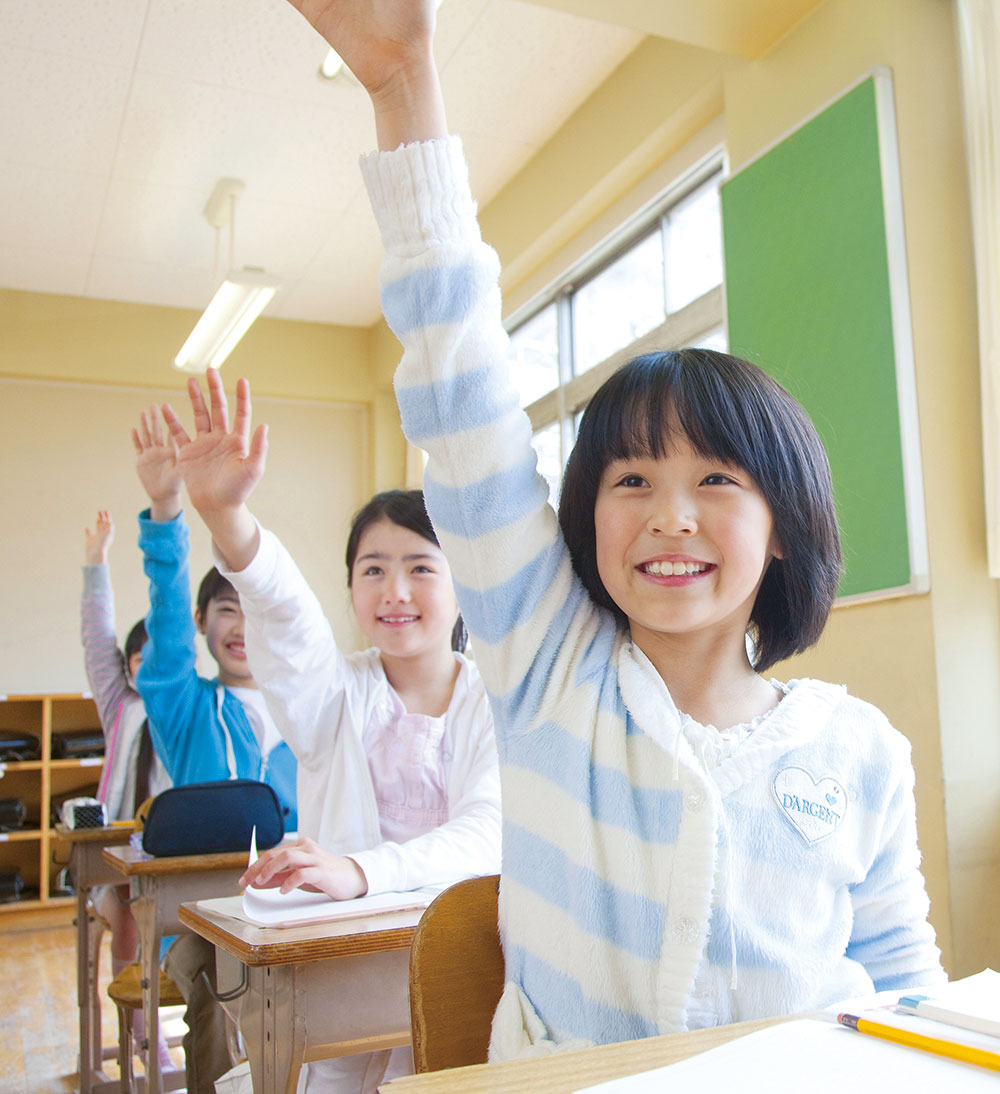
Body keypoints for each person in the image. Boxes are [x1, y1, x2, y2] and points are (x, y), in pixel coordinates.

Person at [279, 0, 945, 1063]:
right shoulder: (546, 668)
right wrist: (403, 84)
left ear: (781, 528)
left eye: (717, 477)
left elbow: (905, 985)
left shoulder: (858, 751)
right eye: (630, 477)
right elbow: (463, 394)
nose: (669, 513)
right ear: (584, 517)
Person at [159, 370, 502, 1092]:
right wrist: (229, 520)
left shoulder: (490, 701)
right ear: (350, 589)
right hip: (339, 971)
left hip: (465, 965)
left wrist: (359, 873)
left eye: (419, 567)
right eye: (372, 570)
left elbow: (487, 833)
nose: (395, 591)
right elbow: (285, 615)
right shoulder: (333, 696)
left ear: (462, 584)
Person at [130, 406, 299, 1094]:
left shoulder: (307, 708)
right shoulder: (183, 703)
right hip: (198, 925)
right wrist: (167, 509)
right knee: (217, 970)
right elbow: (164, 626)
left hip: (286, 916)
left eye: (249, 608)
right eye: (225, 609)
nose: (240, 625)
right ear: (204, 623)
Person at [81, 509, 173, 1074]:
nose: (146, 667)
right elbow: (97, 638)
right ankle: (145, 1031)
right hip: (117, 860)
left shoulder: (179, 713)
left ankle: (170, 1019)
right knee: (132, 917)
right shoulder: (122, 707)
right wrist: (95, 562)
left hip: (166, 859)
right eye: (138, 658)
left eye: (156, 659)